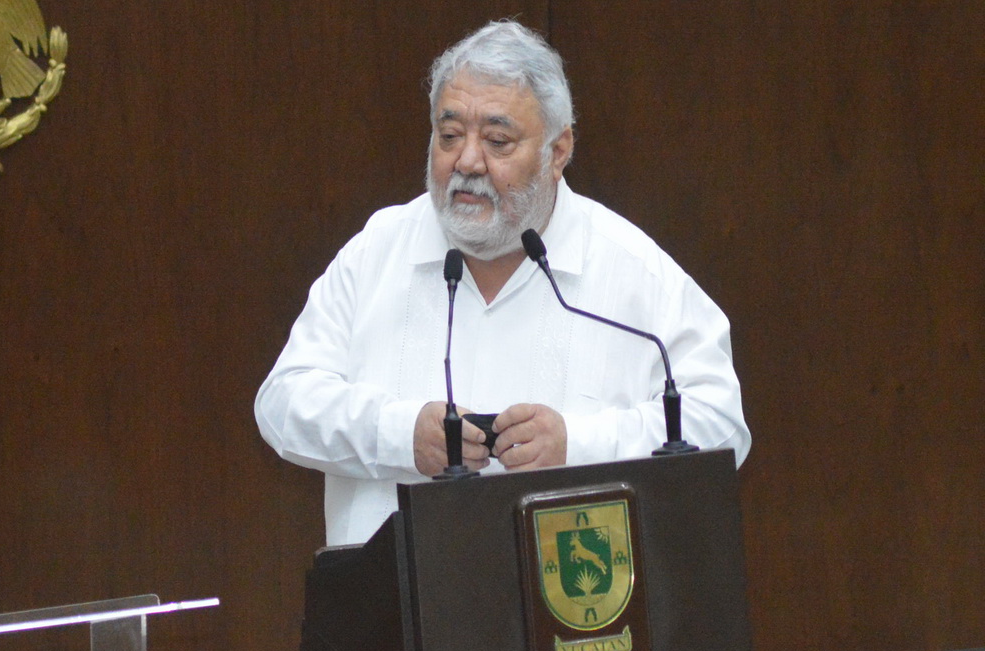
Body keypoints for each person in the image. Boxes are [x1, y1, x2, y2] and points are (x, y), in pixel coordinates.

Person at [255, 20, 751, 546]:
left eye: (497, 141)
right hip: (387, 588)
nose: (468, 161)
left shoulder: (631, 270)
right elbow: (282, 404)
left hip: (565, 590)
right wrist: (399, 436)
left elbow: (720, 424)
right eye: (449, 136)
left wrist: (577, 446)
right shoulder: (377, 253)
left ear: (557, 152)